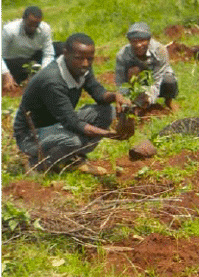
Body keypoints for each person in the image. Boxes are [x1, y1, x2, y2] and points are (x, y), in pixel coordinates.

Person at [13, 33, 130, 175]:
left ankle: (71, 159)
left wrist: (116, 96)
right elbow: (72, 123)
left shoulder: (81, 67)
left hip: (56, 125)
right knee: (73, 141)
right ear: (65, 53)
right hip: (30, 135)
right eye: (79, 58)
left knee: (107, 111)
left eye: (90, 59)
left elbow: (98, 93)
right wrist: (109, 134)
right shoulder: (52, 80)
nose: (85, 63)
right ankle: (37, 165)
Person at [114, 22, 178, 110]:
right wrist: (124, 96)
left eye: (142, 41)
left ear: (149, 40)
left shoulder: (160, 51)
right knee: (133, 71)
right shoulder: (122, 55)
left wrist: (148, 98)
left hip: (158, 79)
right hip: (138, 81)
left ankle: (169, 101)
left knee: (169, 80)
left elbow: (158, 79)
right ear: (130, 42)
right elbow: (120, 82)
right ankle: (135, 101)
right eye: (134, 41)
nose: (138, 45)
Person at [2, 6, 56, 92]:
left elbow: (49, 54)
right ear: (23, 19)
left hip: (32, 57)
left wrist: (41, 75)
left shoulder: (45, 29)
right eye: (30, 25)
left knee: (61, 48)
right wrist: (5, 73)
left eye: (36, 25)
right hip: (12, 61)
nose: (33, 28)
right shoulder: (9, 30)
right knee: (28, 65)